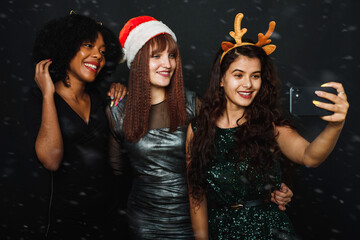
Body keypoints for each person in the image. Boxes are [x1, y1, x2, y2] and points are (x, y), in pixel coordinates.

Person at [107, 15, 294, 239]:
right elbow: (115, 174)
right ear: (136, 61)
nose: (167, 64)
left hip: (195, 220)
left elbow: (237, 152)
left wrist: (270, 188)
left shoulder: (193, 106)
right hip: (144, 222)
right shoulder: (117, 111)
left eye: (172, 55)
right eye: (156, 56)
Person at [186, 13, 349, 239]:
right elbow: (196, 194)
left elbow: (310, 156)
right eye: (238, 75)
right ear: (221, 80)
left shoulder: (269, 125)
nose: (248, 84)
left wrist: (335, 126)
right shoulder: (198, 130)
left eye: (255, 76)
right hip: (221, 232)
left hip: (269, 231)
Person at [25, 12, 124, 239]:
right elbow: (51, 159)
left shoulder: (101, 98)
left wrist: (120, 90)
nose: (97, 56)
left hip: (109, 219)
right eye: (88, 45)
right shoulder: (38, 99)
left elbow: (113, 156)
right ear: (67, 46)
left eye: (102, 51)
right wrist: (48, 94)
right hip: (67, 224)